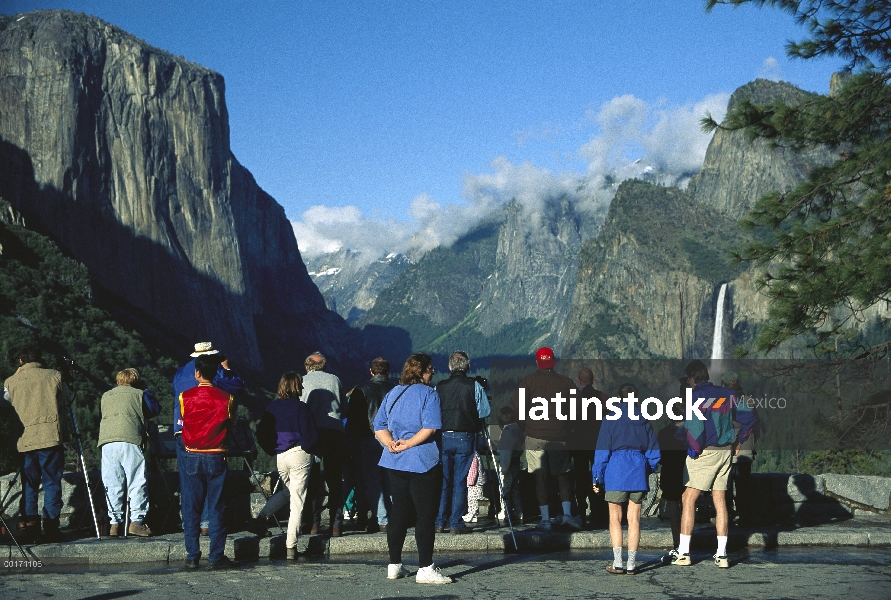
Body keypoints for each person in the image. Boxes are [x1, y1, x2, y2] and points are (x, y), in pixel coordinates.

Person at [374, 352, 452, 585]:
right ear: (424, 371)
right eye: (431, 370)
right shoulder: (429, 394)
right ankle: (425, 568)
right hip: (422, 461)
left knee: (399, 512)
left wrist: (391, 444)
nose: (433, 373)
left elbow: (379, 425)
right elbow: (431, 428)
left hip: (394, 461)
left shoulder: (393, 393)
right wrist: (408, 443)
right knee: (425, 516)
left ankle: (394, 564)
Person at [669, 360, 755, 569]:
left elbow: (696, 429)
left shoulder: (694, 398)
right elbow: (749, 418)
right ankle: (722, 554)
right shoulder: (727, 394)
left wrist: (693, 451)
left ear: (691, 379)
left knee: (688, 498)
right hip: (725, 451)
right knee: (720, 500)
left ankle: (683, 552)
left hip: (704, 452)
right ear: (706, 375)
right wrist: (739, 440)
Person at [172, 342, 244, 534]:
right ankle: (208, 525)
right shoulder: (214, 372)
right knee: (213, 485)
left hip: (181, 431)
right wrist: (227, 369)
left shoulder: (180, 373)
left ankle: (191, 531)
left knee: (188, 484)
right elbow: (237, 386)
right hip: (209, 436)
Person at [2, 343, 70, 543]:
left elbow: (3, 402)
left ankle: (30, 528)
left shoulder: (11, 381)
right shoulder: (54, 375)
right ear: (40, 359)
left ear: (21, 361)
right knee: (51, 483)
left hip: (26, 441)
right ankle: (51, 528)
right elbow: (66, 396)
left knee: (29, 485)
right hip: (50, 437)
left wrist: (15, 377)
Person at [592, 383, 661, 575]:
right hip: (638, 468)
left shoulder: (610, 417)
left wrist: (597, 476)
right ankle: (631, 563)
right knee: (635, 519)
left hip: (616, 468)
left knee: (615, 518)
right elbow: (653, 450)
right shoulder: (644, 417)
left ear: (618, 397)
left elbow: (602, 450)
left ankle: (617, 562)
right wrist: (650, 467)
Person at [178, 354, 238, 569]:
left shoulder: (185, 397)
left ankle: (192, 554)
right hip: (216, 453)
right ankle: (216, 555)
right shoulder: (226, 398)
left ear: (197, 373)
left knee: (191, 505)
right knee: (216, 506)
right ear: (216, 373)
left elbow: (184, 422)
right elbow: (229, 424)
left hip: (192, 453)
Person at [511, 347, 581, 530]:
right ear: (553, 362)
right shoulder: (566, 382)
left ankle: (545, 519)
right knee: (563, 476)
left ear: (537, 362)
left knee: (540, 479)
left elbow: (519, 409)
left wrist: (527, 428)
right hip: (560, 436)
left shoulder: (528, 382)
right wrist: (567, 427)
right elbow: (577, 409)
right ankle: (567, 514)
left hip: (535, 435)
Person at [256, 372, 318, 560]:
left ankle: (261, 518)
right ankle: (291, 546)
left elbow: (262, 432)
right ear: (297, 386)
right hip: (299, 453)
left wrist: (272, 449)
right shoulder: (301, 408)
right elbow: (311, 434)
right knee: (297, 500)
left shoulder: (272, 407)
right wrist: (306, 448)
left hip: (280, 456)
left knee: (287, 492)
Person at [97, 368, 161, 537]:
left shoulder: (106, 396)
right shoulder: (140, 394)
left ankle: (114, 524)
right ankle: (136, 522)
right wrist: (146, 390)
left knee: (112, 483)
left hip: (107, 441)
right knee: (137, 481)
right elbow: (154, 410)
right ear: (136, 381)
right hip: (130, 439)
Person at [434, 350, 490, 534]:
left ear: (449, 367)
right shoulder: (474, 386)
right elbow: (484, 412)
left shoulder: (440, 386)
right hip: (465, 436)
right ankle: (456, 523)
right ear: (468, 366)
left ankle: (439, 521)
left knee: (443, 480)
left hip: (444, 437)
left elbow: (433, 411)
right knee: (459, 481)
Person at [345, 357, 395, 533]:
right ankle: (391, 515)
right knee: (390, 480)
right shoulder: (396, 390)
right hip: (392, 440)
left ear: (371, 371)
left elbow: (354, 420)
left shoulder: (362, 390)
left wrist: (353, 442)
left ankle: (382, 518)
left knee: (372, 481)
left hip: (369, 439)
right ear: (387, 371)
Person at [301, 352, 347, 536]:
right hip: (334, 432)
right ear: (325, 366)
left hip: (312, 432)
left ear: (307, 366)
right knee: (334, 478)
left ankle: (313, 523)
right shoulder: (335, 380)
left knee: (311, 478)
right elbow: (344, 407)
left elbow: (301, 407)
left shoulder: (303, 381)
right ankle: (336, 524)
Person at [570, 367, 607, 528]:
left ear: (578, 381)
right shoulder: (602, 397)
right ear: (593, 380)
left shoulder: (574, 398)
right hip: (597, 441)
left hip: (578, 441)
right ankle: (598, 508)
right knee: (598, 474)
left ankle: (581, 510)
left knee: (580, 475)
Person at [657, 377, 689, 561]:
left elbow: (658, 454)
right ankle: (686, 543)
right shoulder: (690, 432)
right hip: (687, 472)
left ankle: (677, 544)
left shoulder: (664, 433)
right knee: (688, 507)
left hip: (670, 473)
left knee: (674, 510)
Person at [723, 371, 758, 526]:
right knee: (744, 485)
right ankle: (746, 516)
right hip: (746, 448)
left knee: (726, 485)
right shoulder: (749, 401)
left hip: (727, 448)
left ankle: (727, 516)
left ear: (723, 384)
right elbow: (756, 426)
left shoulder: (721, 402)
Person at [496, 406, 524, 524]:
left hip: (508, 464)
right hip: (516, 463)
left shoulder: (507, 432)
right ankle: (519, 511)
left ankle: (505, 511)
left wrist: (503, 468)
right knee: (515, 490)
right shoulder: (518, 429)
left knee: (505, 490)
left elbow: (506, 453)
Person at [462, 450, 486, 523]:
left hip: (475, 483)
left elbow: (473, 470)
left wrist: (470, 482)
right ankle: (473, 515)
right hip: (478, 482)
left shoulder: (473, 456)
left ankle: (472, 514)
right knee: (473, 499)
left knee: (472, 499)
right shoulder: (476, 454)